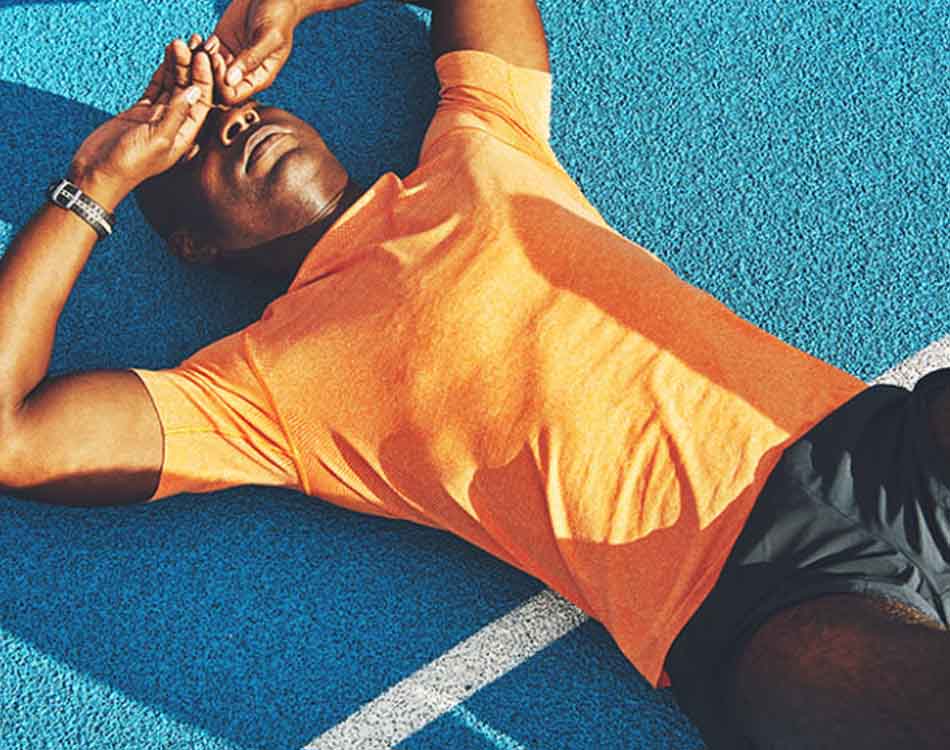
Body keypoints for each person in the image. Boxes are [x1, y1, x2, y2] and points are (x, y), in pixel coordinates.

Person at [0, 1, 948, 747]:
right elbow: (15, 435)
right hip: (747, 598)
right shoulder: (260, 391)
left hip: (877, 446)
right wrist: (102, 174)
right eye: (196, 145)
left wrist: (280, 9)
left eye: (235, 108)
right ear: (189, 245)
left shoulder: (478, 150)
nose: (236, 123)